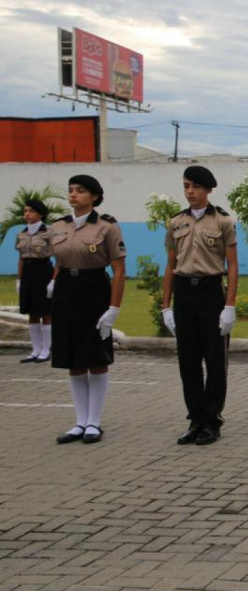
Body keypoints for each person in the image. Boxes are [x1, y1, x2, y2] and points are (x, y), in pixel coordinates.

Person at [161, 165, 239, 445]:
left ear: (208, 189)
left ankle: (211, 420)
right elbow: (170, 265)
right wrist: (166, 305)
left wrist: (230, 305)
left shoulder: (223, 221)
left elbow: (232, 265)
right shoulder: (176, 222)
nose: (190, 191)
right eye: (186, 186)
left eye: (195, 186)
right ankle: (195, 419)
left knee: (215, 361)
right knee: (188, 361)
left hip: (211, 291)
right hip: (184, 292)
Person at [49, 175, 126, 445]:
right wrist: (54, 282)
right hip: (65, 291)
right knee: (73, 358)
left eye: (80, 191)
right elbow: (59, 261)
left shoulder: (107, 227)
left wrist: (113, 308)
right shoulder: (58, 226)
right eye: (70, 190)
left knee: (95, 356)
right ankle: (80, 421)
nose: (73, 194)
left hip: (93, 290)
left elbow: (119, 271)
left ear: (94, 196)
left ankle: (94, 421)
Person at [15, 196, 53, 363]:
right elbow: (21, 258)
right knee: (31, 312)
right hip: (28, 273)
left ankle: (46, 349)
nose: (27, 214)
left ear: (40, 214)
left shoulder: (49, 232)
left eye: (31, 211)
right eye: (25, 211)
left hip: (43, 271)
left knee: (45, 311)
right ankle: (35, 349)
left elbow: (58, 257)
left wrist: (54, 280)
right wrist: (19, 279)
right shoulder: (21, 234)